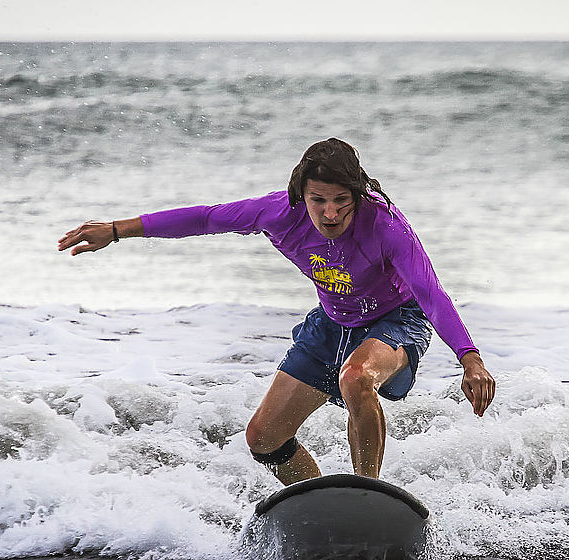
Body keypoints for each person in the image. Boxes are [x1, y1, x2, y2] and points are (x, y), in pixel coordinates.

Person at [58, 138, 495, 486]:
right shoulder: (278, 212)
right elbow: (206, 218)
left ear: (358, 194)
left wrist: (470, 359)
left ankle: (368, 495)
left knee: (356, 377)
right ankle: (323, 505)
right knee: (264, 438)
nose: (330, 213)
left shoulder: (385, 225)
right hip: (333, 322)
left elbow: (429, 291)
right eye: (318, 199)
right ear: (301, 194)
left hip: (396, 320)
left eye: (341, 200)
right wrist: (116, 230)